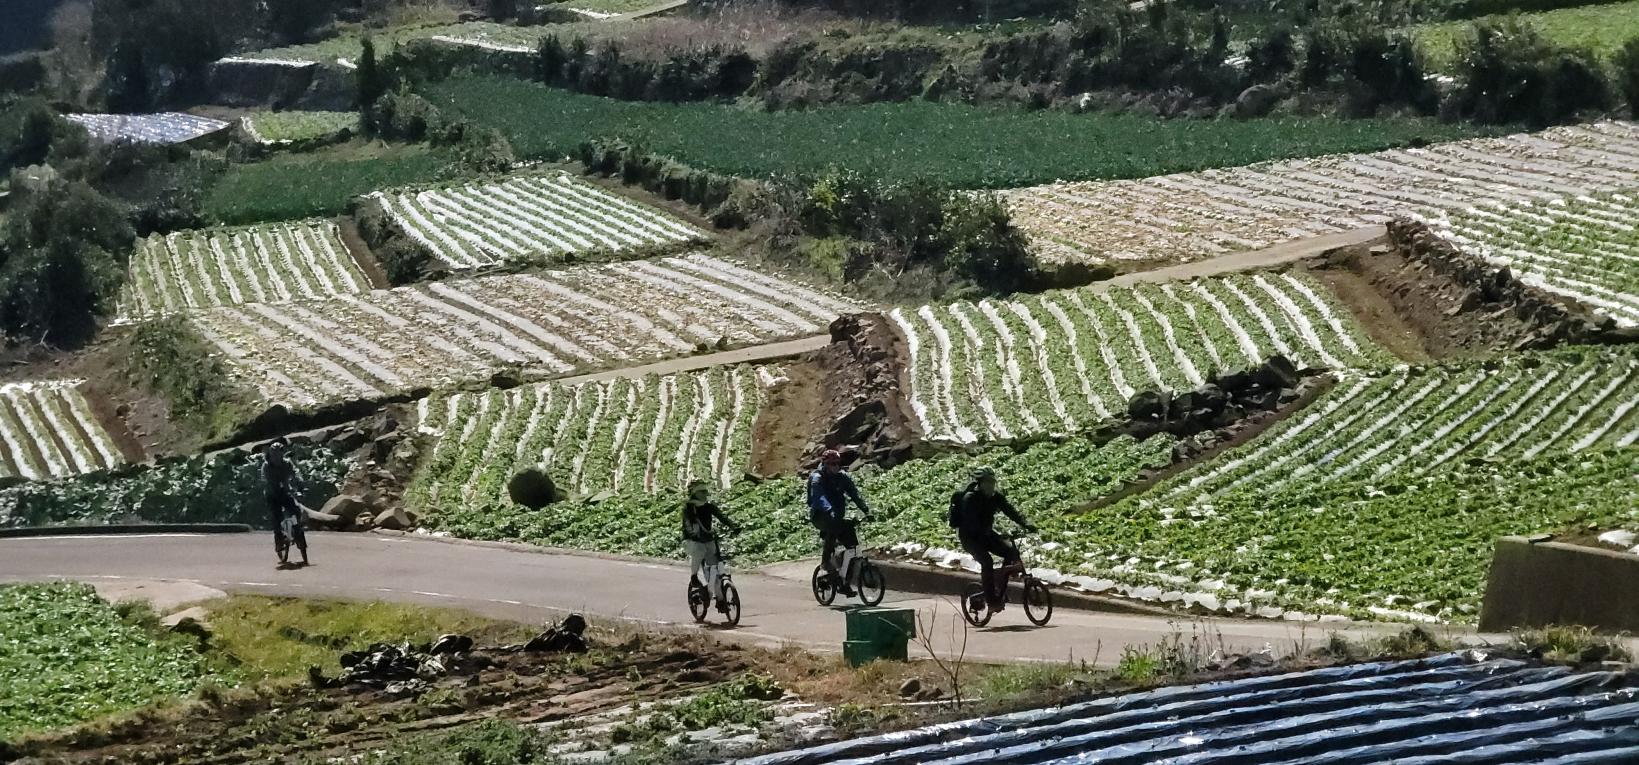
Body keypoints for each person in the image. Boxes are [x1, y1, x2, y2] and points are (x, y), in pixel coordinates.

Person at [954, 467, 1036, 612]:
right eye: (988, 482)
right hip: (970, 538)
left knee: (1010, 552)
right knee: (987, 562)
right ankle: (992, 601)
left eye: (992, 482)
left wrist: (1026, 524)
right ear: (980, 483)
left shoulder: (994, 497)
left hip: (986, 534)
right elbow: (971, 524)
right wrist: (991, 534)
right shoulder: (970, 499)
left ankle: (999, 586)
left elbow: (1010, 511)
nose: (991, 485)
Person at [807, 448, 871, 595]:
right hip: (820, 516)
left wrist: (866, 510)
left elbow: (855, 494)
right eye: (832, 464)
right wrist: (829, 509)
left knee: (853, 548)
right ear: (825, 464)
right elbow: (819, 497)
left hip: (837, 516)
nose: (836, 466)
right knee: (832, 527)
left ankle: (845, 583)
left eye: (837, 463)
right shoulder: (817, 478)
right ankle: (825, 562)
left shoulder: (842, 477)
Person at [682, 480, 739, 612]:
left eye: (705, 491)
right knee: (699, 551)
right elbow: (687, 524)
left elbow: (721, 517)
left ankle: (720, 599)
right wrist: (693, 534)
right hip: (693, 541)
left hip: (708, 539)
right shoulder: (689, 508)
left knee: (716, 569)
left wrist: (733, 526)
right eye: (702, 491)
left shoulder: (708, 507)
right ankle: (694, 577)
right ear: (695, 493)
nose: (705, 494)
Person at [264, 437, 306, 562]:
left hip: (285, 492)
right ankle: (279, 541)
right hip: (272, 495)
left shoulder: (287, 463)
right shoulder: (266, 466)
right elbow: (268, 481)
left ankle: (298, 535)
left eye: (279, 454)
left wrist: (300, 487)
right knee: (276, 517)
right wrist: (281, 487)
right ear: (270, 455)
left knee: (296, 511)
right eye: (274, 455)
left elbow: (296, 474)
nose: (276, 457)